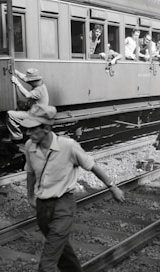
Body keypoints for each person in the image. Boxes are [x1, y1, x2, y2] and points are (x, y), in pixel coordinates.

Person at [21, 104, 125, 272]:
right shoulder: (29, 146)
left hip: (63, 207)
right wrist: (29, 196)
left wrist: (112, 187)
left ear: (46, 128)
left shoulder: (68, 146)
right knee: (63, 255)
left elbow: (92, 166)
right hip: (43, 208)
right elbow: (31, 173)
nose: (28, 133)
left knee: (47, 263)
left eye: (32, 129)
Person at [4, 68, 49, 142]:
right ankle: (25, 129)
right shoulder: (39, 84)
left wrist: (17, 83)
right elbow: (25, 78)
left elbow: (27, 95)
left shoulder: (39, 90)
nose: (28, 82)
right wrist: (16, 72)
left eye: (30, 81)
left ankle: (17, 135)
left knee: (10, 114)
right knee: (19, 103)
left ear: (34, 81)